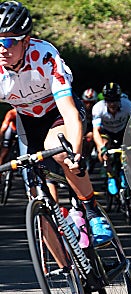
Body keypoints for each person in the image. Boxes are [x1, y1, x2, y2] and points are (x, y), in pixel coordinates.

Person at [0, 1, 112, 246]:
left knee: (61, 151)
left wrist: (76, 153)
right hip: (28, 122)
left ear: (25, 41)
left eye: (8, 41)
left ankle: (90, 210)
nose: (1, 48)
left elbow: (69, 111)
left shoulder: (45, 56)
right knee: (39, 202)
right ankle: (68, 270)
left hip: (58, 114)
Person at [92, 82, 131, 199]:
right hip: (107, 133)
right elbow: (96, 131)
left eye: (115, 100)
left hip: (122, 132)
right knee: (103, 150)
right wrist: (102, 148)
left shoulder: (127, 105)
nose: (112, 104)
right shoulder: (98, 108)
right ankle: (110, 175)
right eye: (109, 101)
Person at [81, 88, 98, 172]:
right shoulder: (80, 108)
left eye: (91, 103)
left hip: (96, 130)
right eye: (86, 102)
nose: (88, 105)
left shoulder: (98, 109)